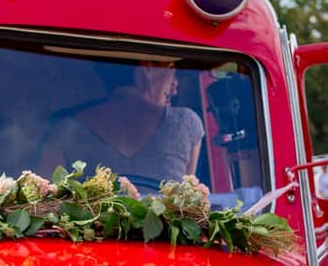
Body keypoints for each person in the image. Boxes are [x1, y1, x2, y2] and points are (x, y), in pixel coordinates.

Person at [35, 60, 203, 184]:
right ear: (148, 68)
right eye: (172, 69)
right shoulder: (185, 123)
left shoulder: (65, 129)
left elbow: (45, 199)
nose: (175, 87)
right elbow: (188, 202)